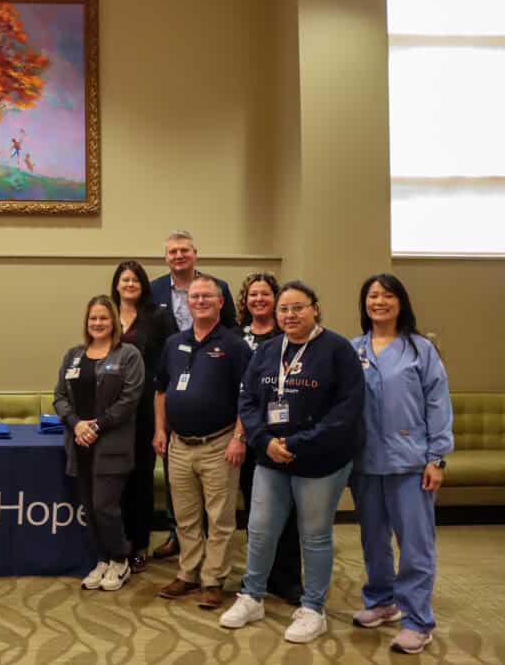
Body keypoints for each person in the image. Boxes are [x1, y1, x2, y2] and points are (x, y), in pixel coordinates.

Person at [220, 281, 364, 644]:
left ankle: (313, 608)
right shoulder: (268, 351)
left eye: (298, 308)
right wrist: (264, 441)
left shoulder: (337, 349)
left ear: (315, 308)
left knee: (314, 536)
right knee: (260, 529)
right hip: (271, 458)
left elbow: (346, 410)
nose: (290, 315)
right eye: (284, 309)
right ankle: (252, 596)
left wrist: (297, 443)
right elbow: (248, 401)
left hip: (320, 462)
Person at [349, 274, 452, 655]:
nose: (379, 301)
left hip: (412, 462)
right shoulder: (353, 348)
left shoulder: (420, 349)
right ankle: (381, 600)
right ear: (364, 303)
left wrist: (436, 458)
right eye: (373, 295)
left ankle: (417, 621)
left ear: (400, 302)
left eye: (387, 295)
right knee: (373, 538)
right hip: (366, 462)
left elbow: (438, 404)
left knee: (415, 545)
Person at [154, 275, 250, 610]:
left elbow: (248, 397)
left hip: (219, 445)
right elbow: (161, 390)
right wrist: (160, 430)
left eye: (207, 296)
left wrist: (239, 437)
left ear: (221, 301)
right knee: (186, 517)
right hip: (179, 445)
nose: (200, 301)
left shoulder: (235, 345)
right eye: (194, 297)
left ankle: (214, 580)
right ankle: (188, 573)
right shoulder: (174, 343)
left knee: (220, 519)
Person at [53, 295, 144, 591]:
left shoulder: (128, 354)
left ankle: (120, 559)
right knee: (89, 508)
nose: (98, 323)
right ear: (86, 322)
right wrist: (76, 423)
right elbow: (60, 397)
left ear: (114, 321)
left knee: (105, 506)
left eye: (104, 318)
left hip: (111, 445)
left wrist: (97, 425)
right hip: (79, 444)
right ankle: (103, 559)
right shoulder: (73, 355)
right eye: (93, 318)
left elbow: (130, 399)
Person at [235, 272, 303, 605]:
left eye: (265, 294)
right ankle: (258, 574)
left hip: (283, 436)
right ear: (244, 301)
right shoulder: (236, 337)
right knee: (256, 513)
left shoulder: (289, 335)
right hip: (250, 434)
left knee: (287, 513)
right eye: (253, 295)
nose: (258, 300)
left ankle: (287, 578)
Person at [110, 261, 177, 573]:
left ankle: (139, 543)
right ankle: (118, 540)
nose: (130, 284)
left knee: (141, 478)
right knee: (117, 477)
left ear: (143, 284)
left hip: (147, 408)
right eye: (124, 279)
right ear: (116, 284)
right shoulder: (106, 314)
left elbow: (172, 356)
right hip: (112, 410)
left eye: (135, 279)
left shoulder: (158, 316)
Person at [149, 230, 237, 333]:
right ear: (166, 258)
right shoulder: (153, 289)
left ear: (195, 254)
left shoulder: (219, 287)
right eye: (173, 252)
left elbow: (231, 328)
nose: (179, 256)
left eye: (184, 250)